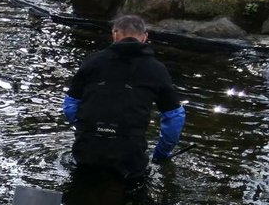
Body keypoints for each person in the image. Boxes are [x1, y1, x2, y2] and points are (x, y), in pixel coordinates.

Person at [62, 15, 185, 181]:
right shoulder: (157, 69)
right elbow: (174, 119)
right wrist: (160, 154)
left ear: (115, 34)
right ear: (145, 37)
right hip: (129, 157)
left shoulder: (92, 62)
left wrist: (87, 128)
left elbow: (70, 107)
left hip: (86, 152)